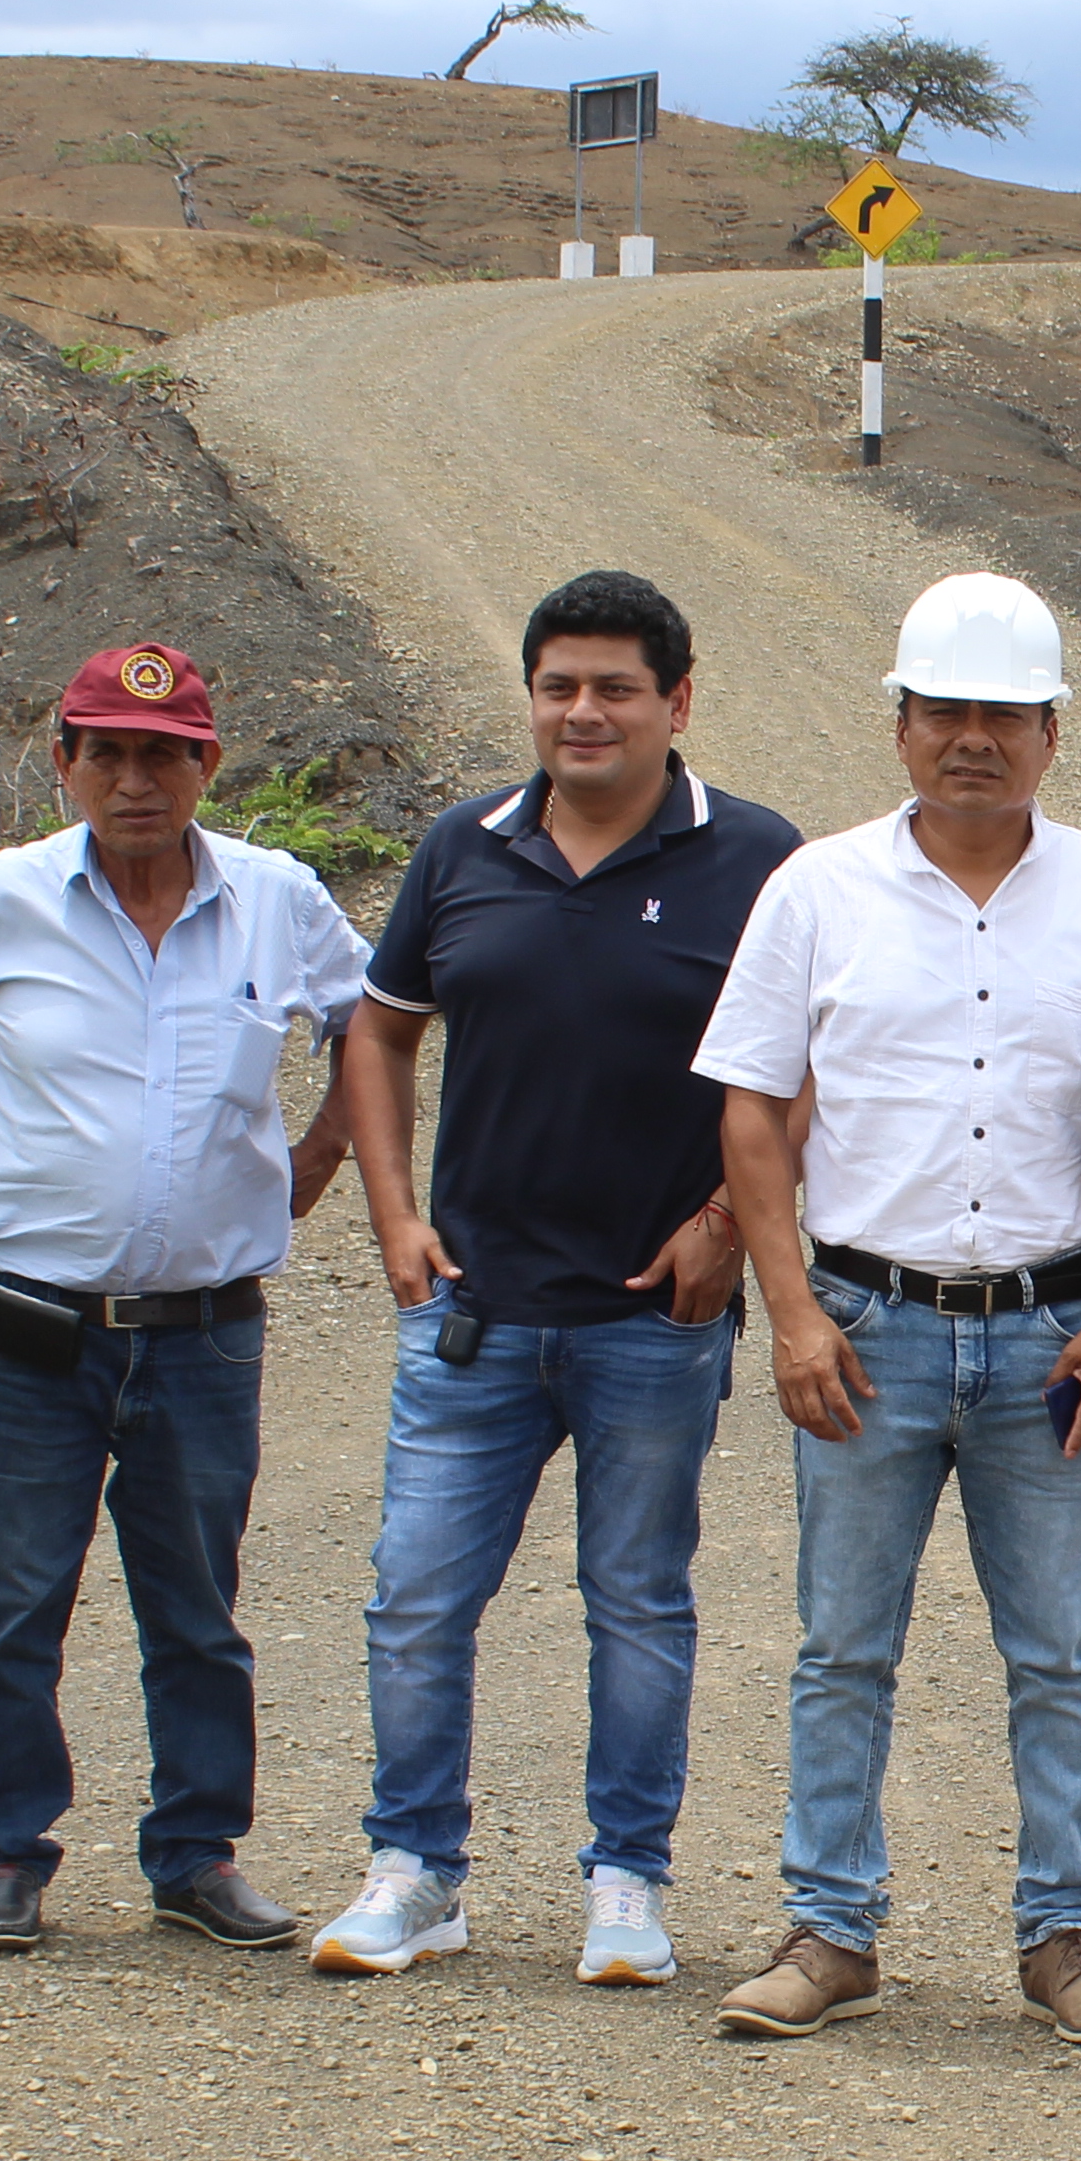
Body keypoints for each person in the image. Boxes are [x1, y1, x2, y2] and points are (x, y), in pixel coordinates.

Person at [691, 571, 1081, 2047]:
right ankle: (830, 1929)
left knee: (1057, 1647)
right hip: (869, 1326)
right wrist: (791, 1313)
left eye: (1004, 715)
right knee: (844, 1642)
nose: (973, 739)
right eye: (945, 712)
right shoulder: (818, 892)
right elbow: (752, 1119)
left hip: (1056, 1336)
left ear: (1052, 733)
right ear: (902, 726)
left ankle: (1066, 1938)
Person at [0, 643, 373, 1958]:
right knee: (12, 1599)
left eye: (165, 754)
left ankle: (197, 1853)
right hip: (35, 1325)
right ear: (65, 763)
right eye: (108, 754)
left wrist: (323, 1154)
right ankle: (7, 1854)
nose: (137, 780)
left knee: (196, 1603)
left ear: (206, 764)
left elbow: (372, 1019)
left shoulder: (275, 900)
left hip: (203, 1331)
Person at [312, 570, 803, 1987]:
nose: (583, 712)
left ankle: (629, 1884)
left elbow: (812, 1061)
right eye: (559, 686)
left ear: (678, 703)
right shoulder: (462, 847)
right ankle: (416, 1871)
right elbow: (381, 1028)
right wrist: (392, 1214)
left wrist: (725, 1222)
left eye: (615, 688)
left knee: (639, 1602)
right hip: (471, 1315)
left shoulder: (757, 858)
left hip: (653, 1322)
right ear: (532, 697)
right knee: (415, 1598)